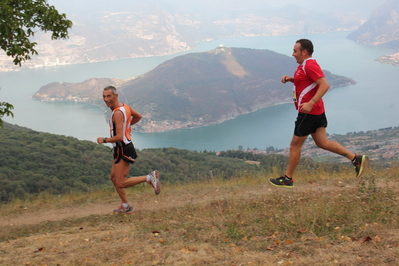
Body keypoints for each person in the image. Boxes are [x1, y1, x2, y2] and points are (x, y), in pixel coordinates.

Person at [269, 39, 367, 188]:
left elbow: (324, 85)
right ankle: (355, 159)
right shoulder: (304, 66)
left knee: (295, 145)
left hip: (309, 112)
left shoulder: (310, 64)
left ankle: (288, 178)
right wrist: (291, 79)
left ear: (304, 52)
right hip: (317, 111)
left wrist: (310, 103)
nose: (293, 54)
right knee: (322, 143)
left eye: (295, 51)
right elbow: (307, 81)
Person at [97, 85, 161, 213]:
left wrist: (104, 140)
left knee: (120, 182)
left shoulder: (117, 113)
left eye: (109, 96)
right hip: (121, 148)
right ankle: (126, 206)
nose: (106, 99)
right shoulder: (124, 107)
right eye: (104, 96)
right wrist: (126, 125)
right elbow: (138, 116)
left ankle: (149, 178)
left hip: (123, 148)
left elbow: (119, 137)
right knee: (114, 178)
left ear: (116, 96)